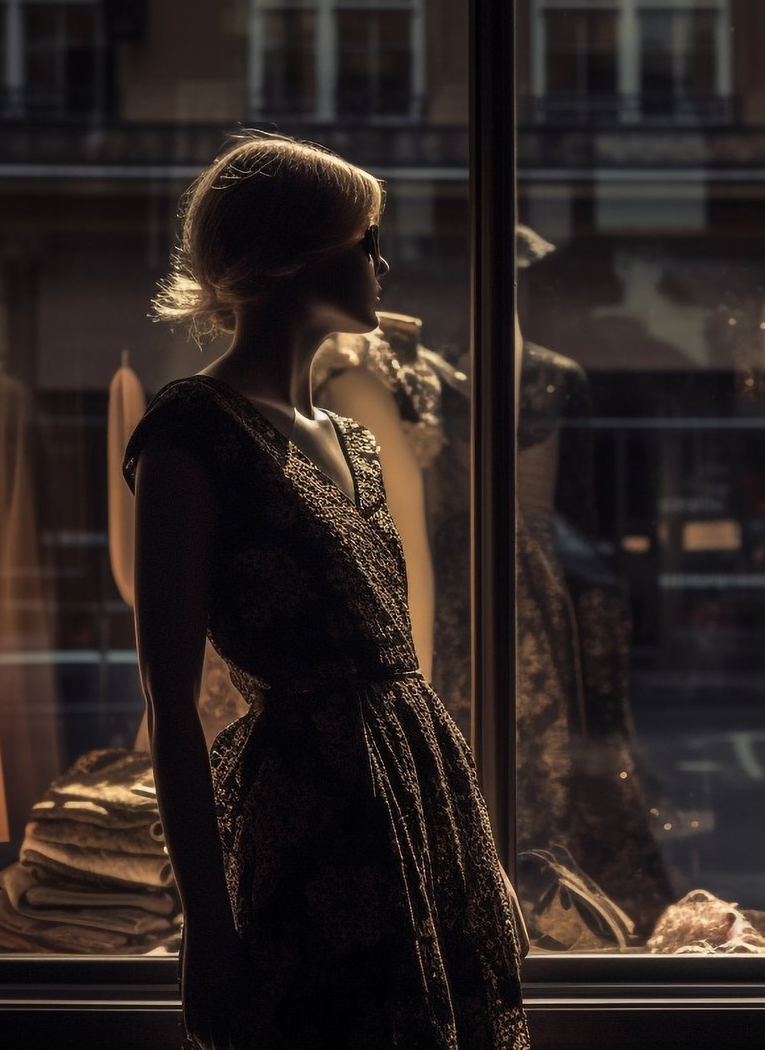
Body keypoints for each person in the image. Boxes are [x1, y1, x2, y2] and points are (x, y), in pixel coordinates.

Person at [125, 132, 532, 1050]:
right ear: (291, 250)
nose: (382, 264)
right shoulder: (190, 433)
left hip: (420, 805)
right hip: (311, 822)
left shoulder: (352, 442)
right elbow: (171, 700)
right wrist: (207, 930)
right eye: (363, 242)